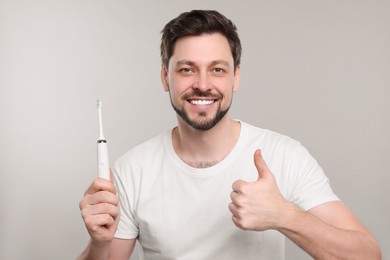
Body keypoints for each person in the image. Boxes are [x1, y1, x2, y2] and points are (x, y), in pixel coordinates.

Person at [78, 10, 381, 260]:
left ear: (235, 77)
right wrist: (99, 244)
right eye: (186, 69)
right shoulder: (133, 171)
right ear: (165, 78)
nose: (202, 84)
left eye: (218, 70)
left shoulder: (285, 155)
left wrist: (285, 216)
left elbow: (368, 255)